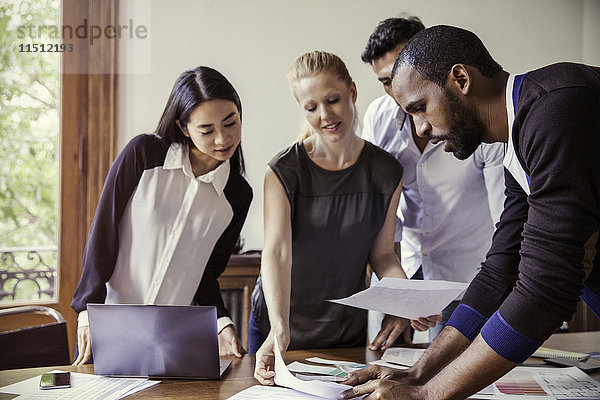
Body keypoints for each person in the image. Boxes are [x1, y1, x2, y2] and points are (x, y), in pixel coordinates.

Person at [341, 25, 600, 400]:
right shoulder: (520, 137)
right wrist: (417, 374)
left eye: (420, 108)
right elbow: (502, 270)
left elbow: (545, 290)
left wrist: (427, 395)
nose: (422, 128)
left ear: (460, 78)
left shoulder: (558, 111)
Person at [251, 51, 438, 385]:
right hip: (279, 331)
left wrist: (409, 299)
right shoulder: (283, 171)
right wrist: (280, 330)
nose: (325, 115)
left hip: (344, 330)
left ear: (352, 91)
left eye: (333, 100)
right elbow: (277, 252)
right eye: (311, 108)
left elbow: (382, 255)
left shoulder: (386, 170)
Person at [71, 66, 253, 365]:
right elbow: (103, 235)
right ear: (183, 127)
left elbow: (207, 273)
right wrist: (86, 311)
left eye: (230, 123)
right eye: (207, 130)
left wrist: (222, 322)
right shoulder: (143, 155)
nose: (222, 139)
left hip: (169, 339)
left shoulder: (237, 194)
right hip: (105, 325)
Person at [361, 16, 505, 342]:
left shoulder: (475, 119)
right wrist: (397, 293)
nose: (394, 87)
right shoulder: (378, 119)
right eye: (385, 81)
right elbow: (386, 213)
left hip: (470, 279)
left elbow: (505, 219)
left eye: (400, 70)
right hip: (406, 275)